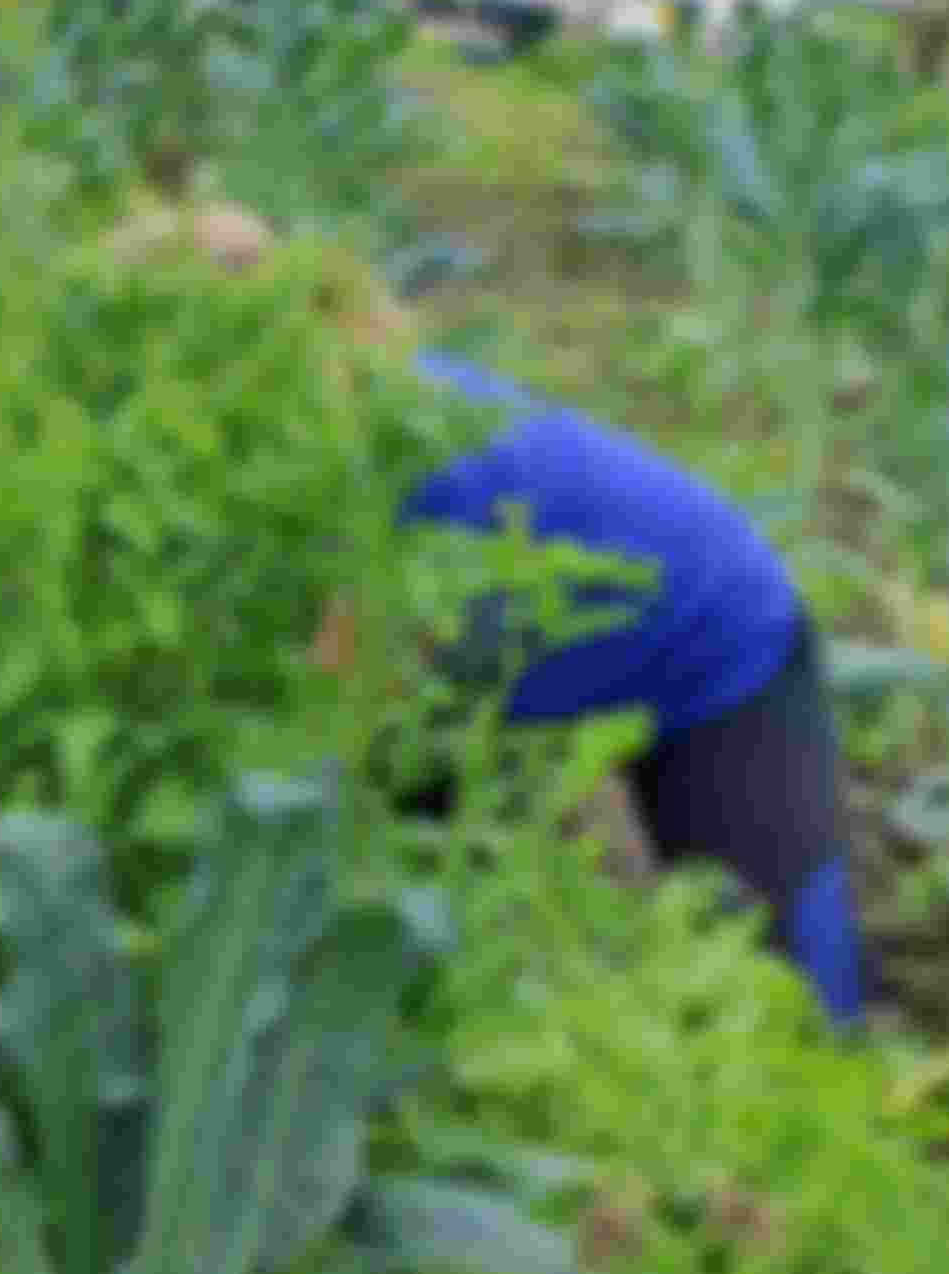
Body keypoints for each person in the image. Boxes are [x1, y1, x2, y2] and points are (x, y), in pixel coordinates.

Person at [109, 199, 871, 1027]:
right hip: (496, 656)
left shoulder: (387, 446)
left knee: (780, 980)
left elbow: (324, 719)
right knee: (422, 930)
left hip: (713, 644)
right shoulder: (269, 431)